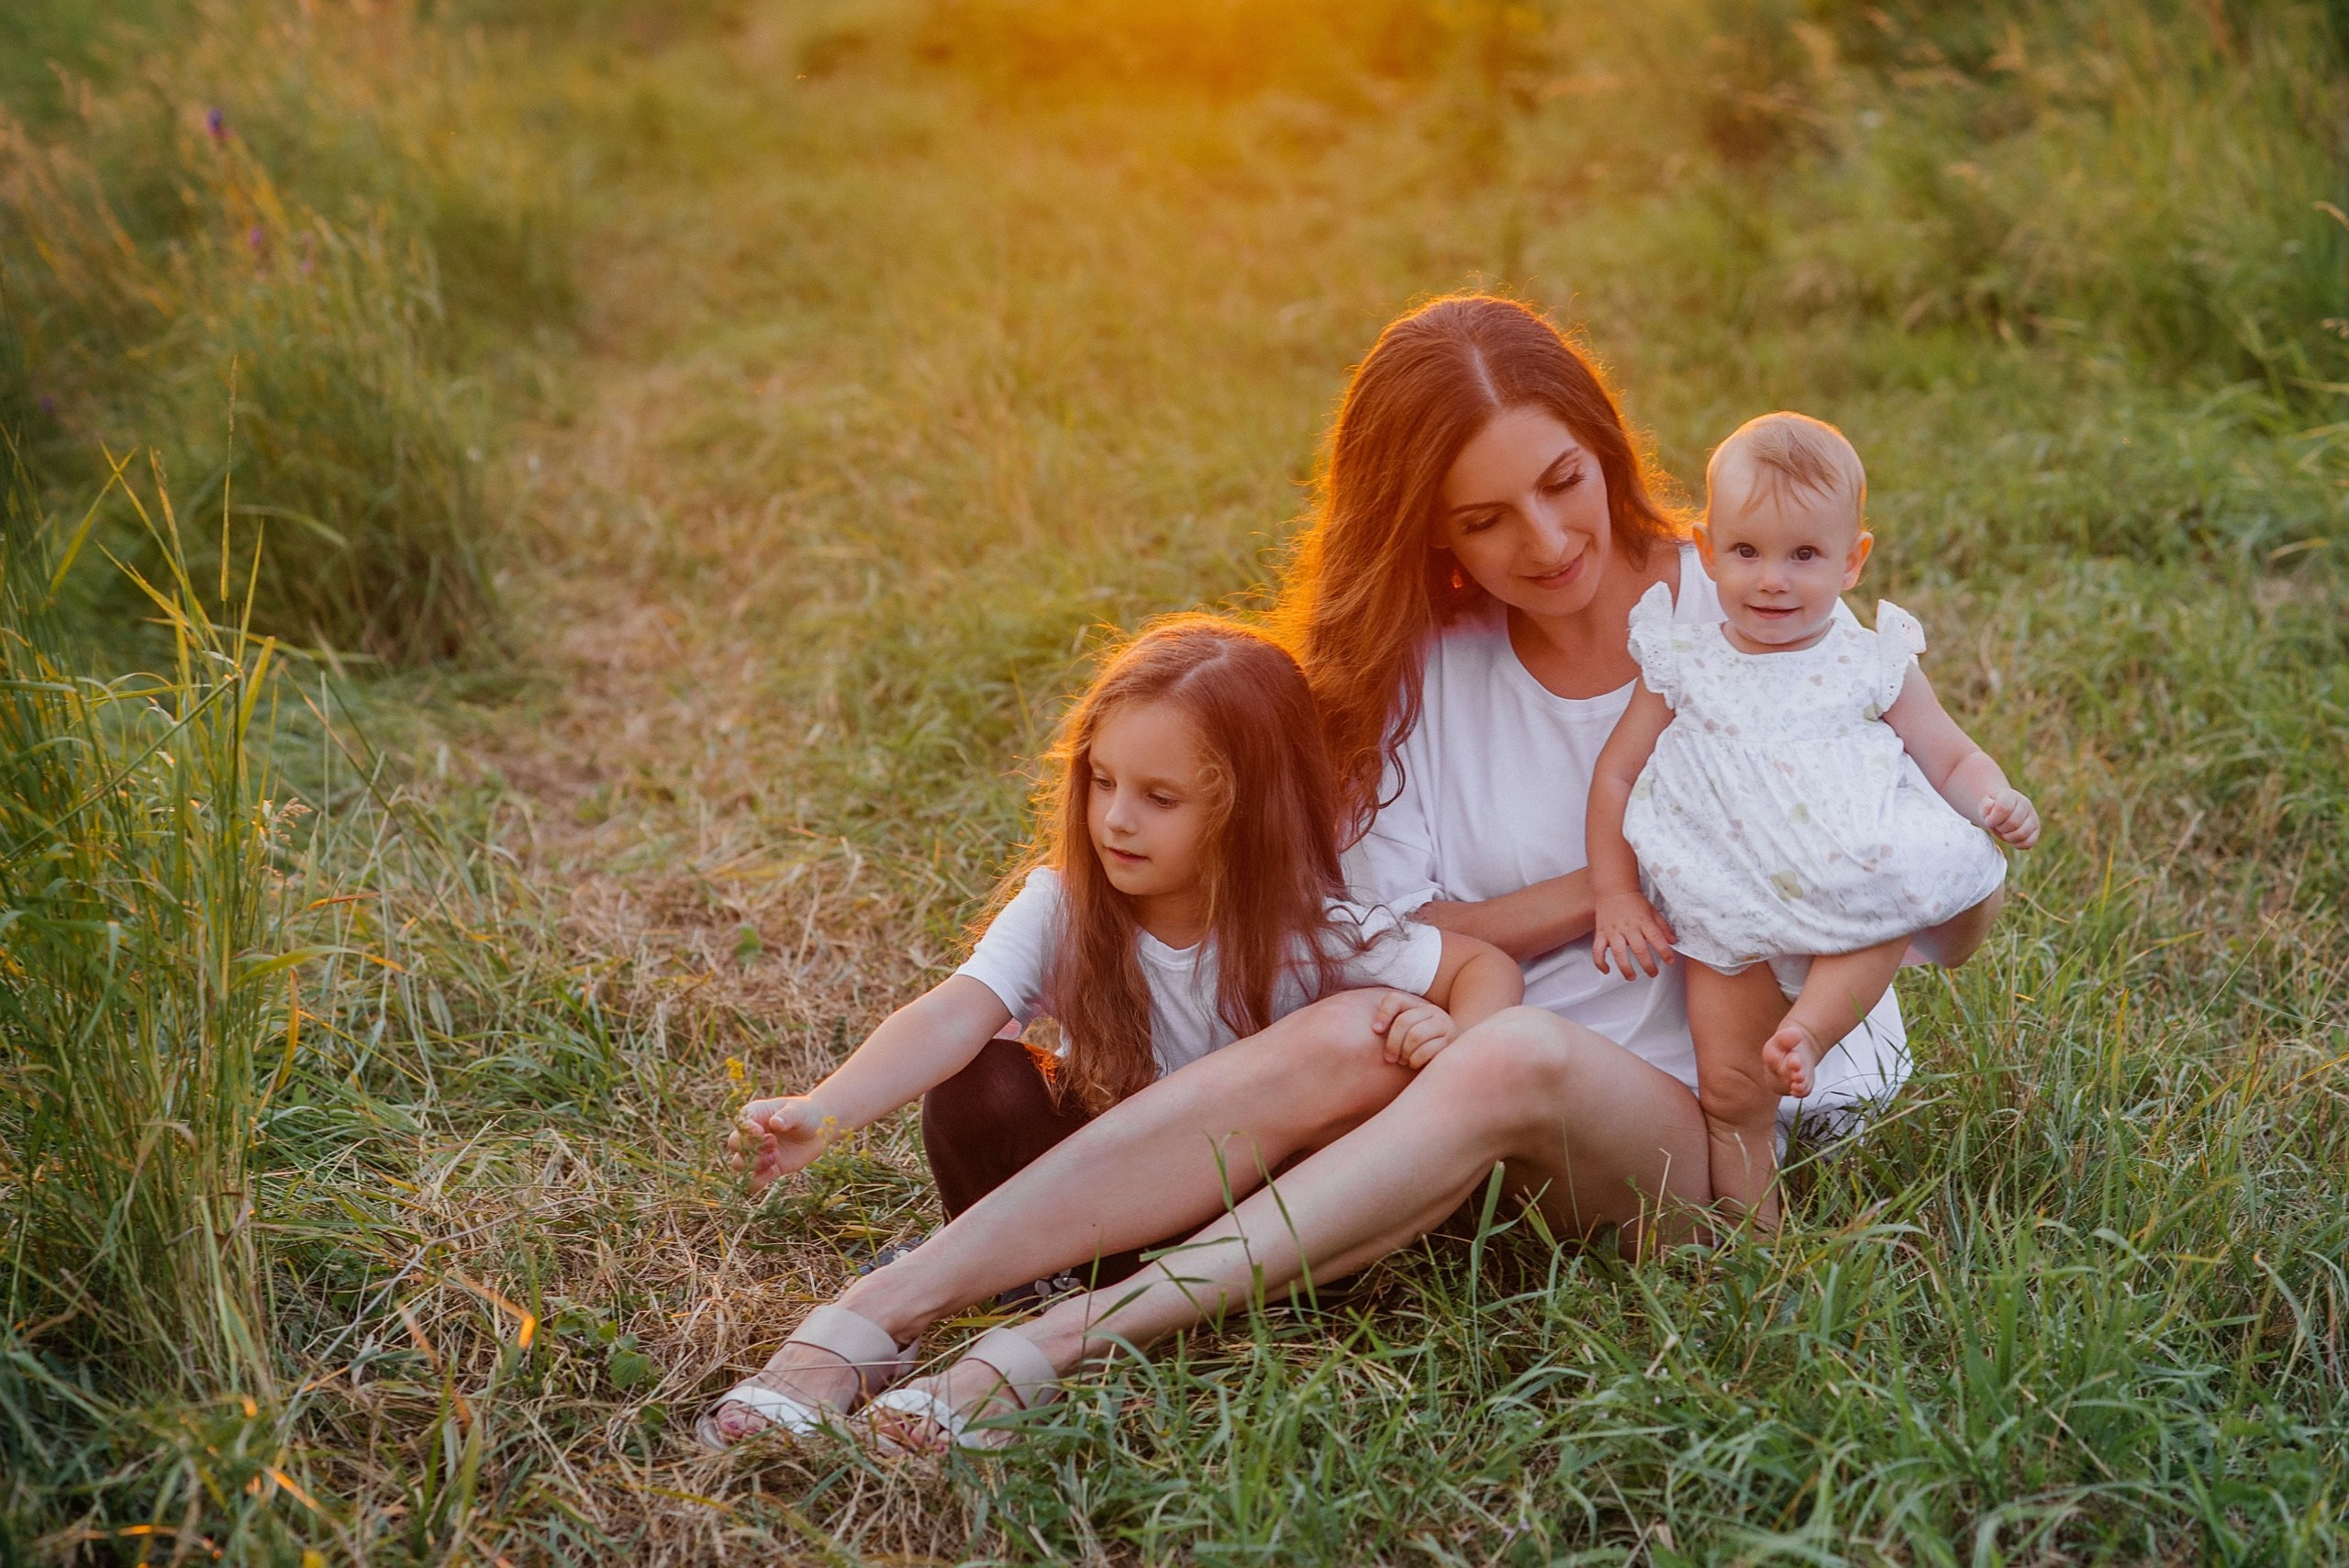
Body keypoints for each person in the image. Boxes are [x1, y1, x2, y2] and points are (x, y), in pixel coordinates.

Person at [705, 294, 1950, 1455]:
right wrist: (1614, 881)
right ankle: (873, 1314)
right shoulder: (1425, 665)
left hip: (1721, 1135)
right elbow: (1381, 925)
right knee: (1376, 1019)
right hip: (1455, 1114)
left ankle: (1053, 1343)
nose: (1550, 538)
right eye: (1483, 518)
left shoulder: (1757, 598)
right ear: (1429, 530)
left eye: (1564, 481)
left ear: (1606, 450)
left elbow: (1931, 897)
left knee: (1507, 1053)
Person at [698, 616, 1520, 1448]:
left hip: (1240, 1234)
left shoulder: (1318, 934)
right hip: (1092, 1205)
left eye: (1161, 798)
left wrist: (1449, 1038)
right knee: (983, 1080)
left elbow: (1482, 966)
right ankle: (1015, 1285)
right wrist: (826, 1109)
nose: (1117, 820)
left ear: (1250, 810)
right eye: (1102, 781)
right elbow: (955, 1009)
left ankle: (1083, 1322)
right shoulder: (1066, 903)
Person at [1586, 412, 2038, 1224]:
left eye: (1804, 555)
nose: (1773, 580)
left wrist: (1993, 798)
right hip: (1722, 894)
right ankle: (1760, 1246)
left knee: (1892, 884)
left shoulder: (1870, 662)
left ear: (1853, 560)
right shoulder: (1682, 661)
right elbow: (1616, 772)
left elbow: (1950, 756)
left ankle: (1815, 1030)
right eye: (1748, 552)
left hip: (1846, 879)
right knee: (1729, 1088)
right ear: (1708, 547)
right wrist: (1616, 894)